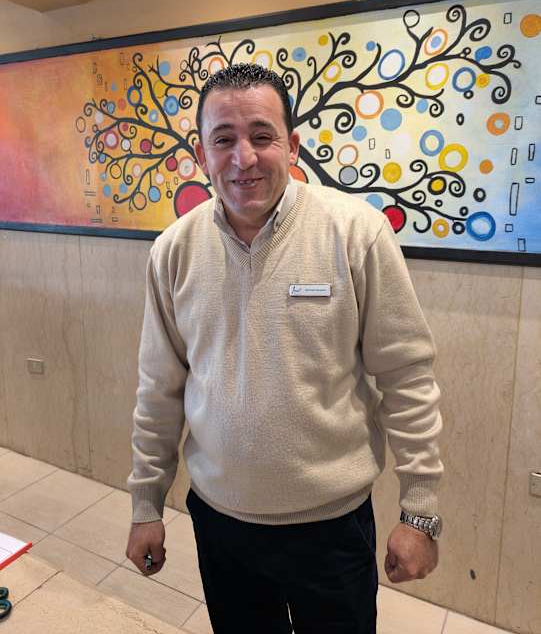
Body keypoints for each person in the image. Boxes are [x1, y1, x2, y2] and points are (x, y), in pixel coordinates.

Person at [126, 63, 443, 633]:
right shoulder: (173, 251)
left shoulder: (356, 233)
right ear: (201, 154)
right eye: (224, 139)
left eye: (262, 135)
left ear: (292, 146)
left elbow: (407, 378)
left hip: (331, 527)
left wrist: (420, 513)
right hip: (221, 523)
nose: (243, 157)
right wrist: (146, 503)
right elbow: (159, 390)